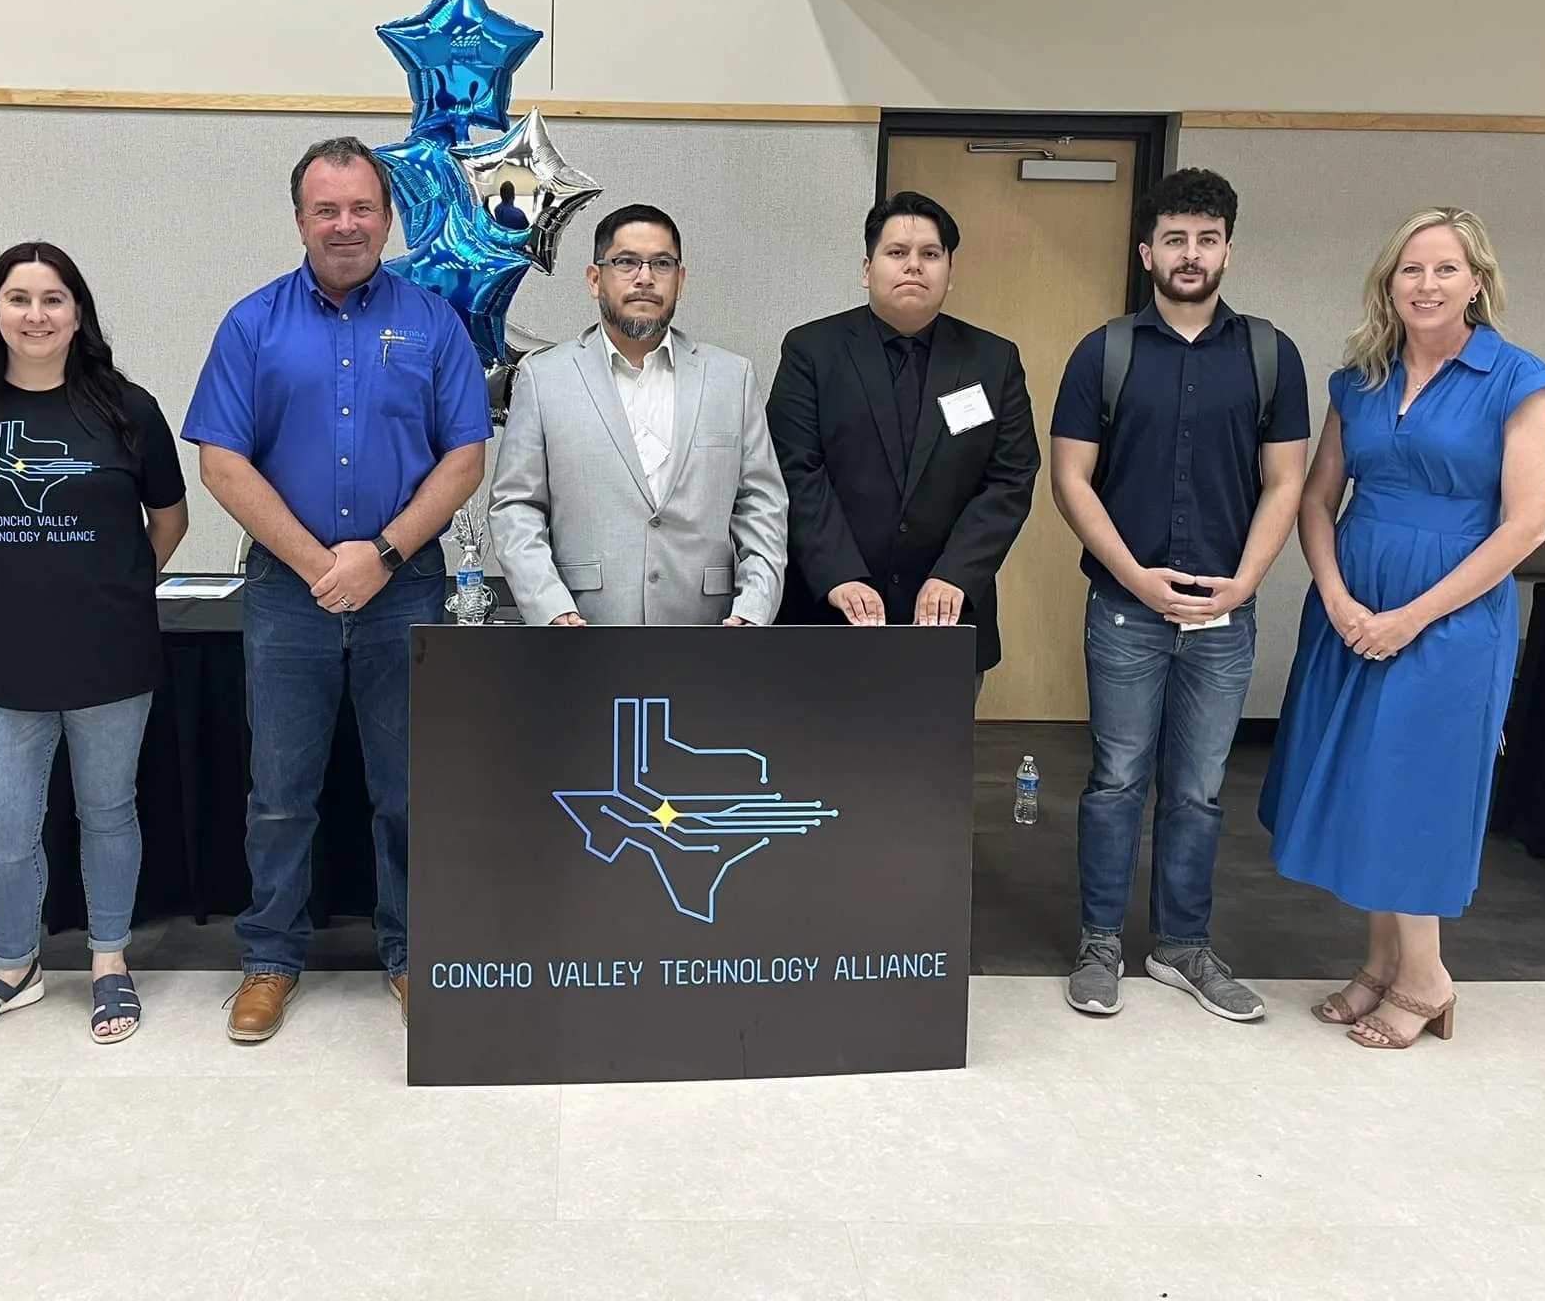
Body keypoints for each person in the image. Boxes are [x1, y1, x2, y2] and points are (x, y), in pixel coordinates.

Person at [184, 136, 490, 1040]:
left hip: (405, 589)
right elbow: (220, 462)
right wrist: (324, 566)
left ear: (387, 217)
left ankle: (411, 952)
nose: (346, 224)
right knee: (280, 790)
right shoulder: (252, 324)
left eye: (362, 208)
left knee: (408, 787)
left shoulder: (435, 322)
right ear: (300, 219)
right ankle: (271, 958)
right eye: (327, 209)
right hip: (289, 592)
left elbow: (464, 458)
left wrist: (381, 557)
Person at [1261, 209, 1545, 1050]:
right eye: (1410, 271)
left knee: (1414, 785)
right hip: (1352, 608)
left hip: (1450, 619)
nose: (1426, 286)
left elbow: (1526, 525)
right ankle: (1380, 964)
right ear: (1387, 284)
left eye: (1445, 269)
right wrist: (1339, 599)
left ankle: (1428, 978)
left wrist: (1410, 618)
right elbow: (1318, 498)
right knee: (1364, 778)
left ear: (1478, 282)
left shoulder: (1517, 380)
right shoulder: (1358, 378)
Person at [0, 242, 189, 1045]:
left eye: (54, 299)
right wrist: (2, 580)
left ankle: (108, 961)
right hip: (2, 653)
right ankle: (13, 966)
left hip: (111, 652)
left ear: (78, 314)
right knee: (5, 825)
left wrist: (111, 583)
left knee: (108, 813)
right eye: (20, 298)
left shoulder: (126, 409)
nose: (36, 315)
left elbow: (168, 522)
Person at [1048, 168, 1309, 1023]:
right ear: (1146, 251)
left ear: (1227, 248)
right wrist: (1135, 576)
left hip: (1226, 616)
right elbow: (1072, 479)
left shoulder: (1271, 354)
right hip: (1127, 612)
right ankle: (1099, 943)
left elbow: (1286, 483)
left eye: (1205, 238)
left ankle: (1182, 946)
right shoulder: (1105, 351)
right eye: (1174, 239)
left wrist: (1247, 579)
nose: (1189, 254)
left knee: (1198, 789)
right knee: (1118, 779)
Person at [766, 190, 1038, 687]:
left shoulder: (992, 360)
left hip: (945, 617)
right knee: (818, 762)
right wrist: (840, 573)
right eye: (897, 253)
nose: (914, 266)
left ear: (950, 273)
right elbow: (796, 470)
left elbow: (1010, 479)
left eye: (930, 255)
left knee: (930, 763)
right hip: (829, 611)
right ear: (867, 268)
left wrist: (956, 573)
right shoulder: (812, 351)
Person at [490, 204, 787, 626]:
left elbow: (761, 505)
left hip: (708, 632)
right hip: (582, 631)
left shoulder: (731, 378)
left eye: (662, 264)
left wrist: (753, 610)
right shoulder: (544, 377)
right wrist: (551, 607)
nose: (645, 277)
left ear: (680, 281)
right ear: (595, 279)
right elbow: (516, 505)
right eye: (626, 262)